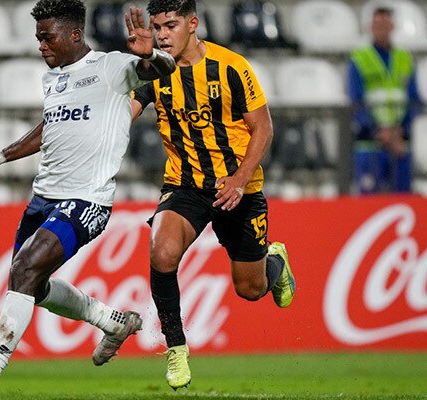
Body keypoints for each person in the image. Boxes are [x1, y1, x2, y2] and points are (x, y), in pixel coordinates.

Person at [0, 1, 176, 399]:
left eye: (46, 36)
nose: (41, 45)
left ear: (74, 34)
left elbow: (159, 70)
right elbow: (49, 124)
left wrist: (150, 54)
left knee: (24, 271)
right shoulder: (53, 79)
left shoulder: (111, 67)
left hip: (86, 201)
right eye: (38, 38)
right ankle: (112, 321)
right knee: (30, 287)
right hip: (43, 199)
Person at [130, 0, 295, 390]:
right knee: (162, 251)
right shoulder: (152, 70)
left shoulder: (231, 67)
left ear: (192, 24)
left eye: (170, 25)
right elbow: (125, 112)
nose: (163, 35)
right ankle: (175, 348)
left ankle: (275, 261)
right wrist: (131, 70)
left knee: (250, 289)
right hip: (185, 185)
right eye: (157, 27)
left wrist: (239, 179)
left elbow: (264, 129)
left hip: (237, 186)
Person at [348, 7, 423, 193]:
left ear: (392, 26)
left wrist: (399, 131)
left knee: (402, 200)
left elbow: (413, 100)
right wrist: (379, 131)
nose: (381, 28)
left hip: (399, 144)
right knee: (369, 205)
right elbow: (356, 101)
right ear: (370, 28)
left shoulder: (404, 58)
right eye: (377, 24)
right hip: (370, 143)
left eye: (385, 24)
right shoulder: (359, 59)